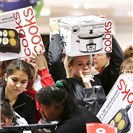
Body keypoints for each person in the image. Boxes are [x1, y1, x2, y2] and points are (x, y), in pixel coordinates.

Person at [48, 18, 124, 96]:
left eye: (88, 63)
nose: (86, 67)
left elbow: (118, 61)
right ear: (69, 66)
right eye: (80, 64)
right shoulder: (66, 84)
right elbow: (55, 63)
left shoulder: (99, 81)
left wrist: (106, 32)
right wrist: (56, 34)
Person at [36, 85, 101, 133]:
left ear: (60, 106)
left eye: (44, 107)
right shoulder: (78, 109)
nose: (41, 111)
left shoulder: (67, 128)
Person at [0, 59, 36, 124]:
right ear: (6, 77)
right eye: (14, 80)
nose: (18, 85)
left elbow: (31, 128)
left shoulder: (28, 102)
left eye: (23, 82)